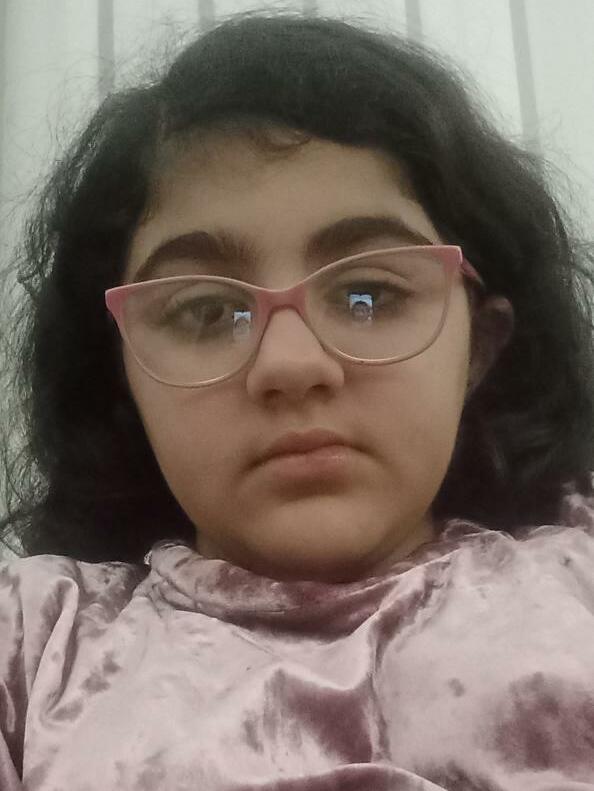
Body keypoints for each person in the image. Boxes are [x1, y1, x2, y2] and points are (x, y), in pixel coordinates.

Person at [1, 11, 594, 790]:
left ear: (479, 345)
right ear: (125, 371)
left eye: (368, 295)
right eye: (205, 311)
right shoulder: (31, 647)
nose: (290, 364)